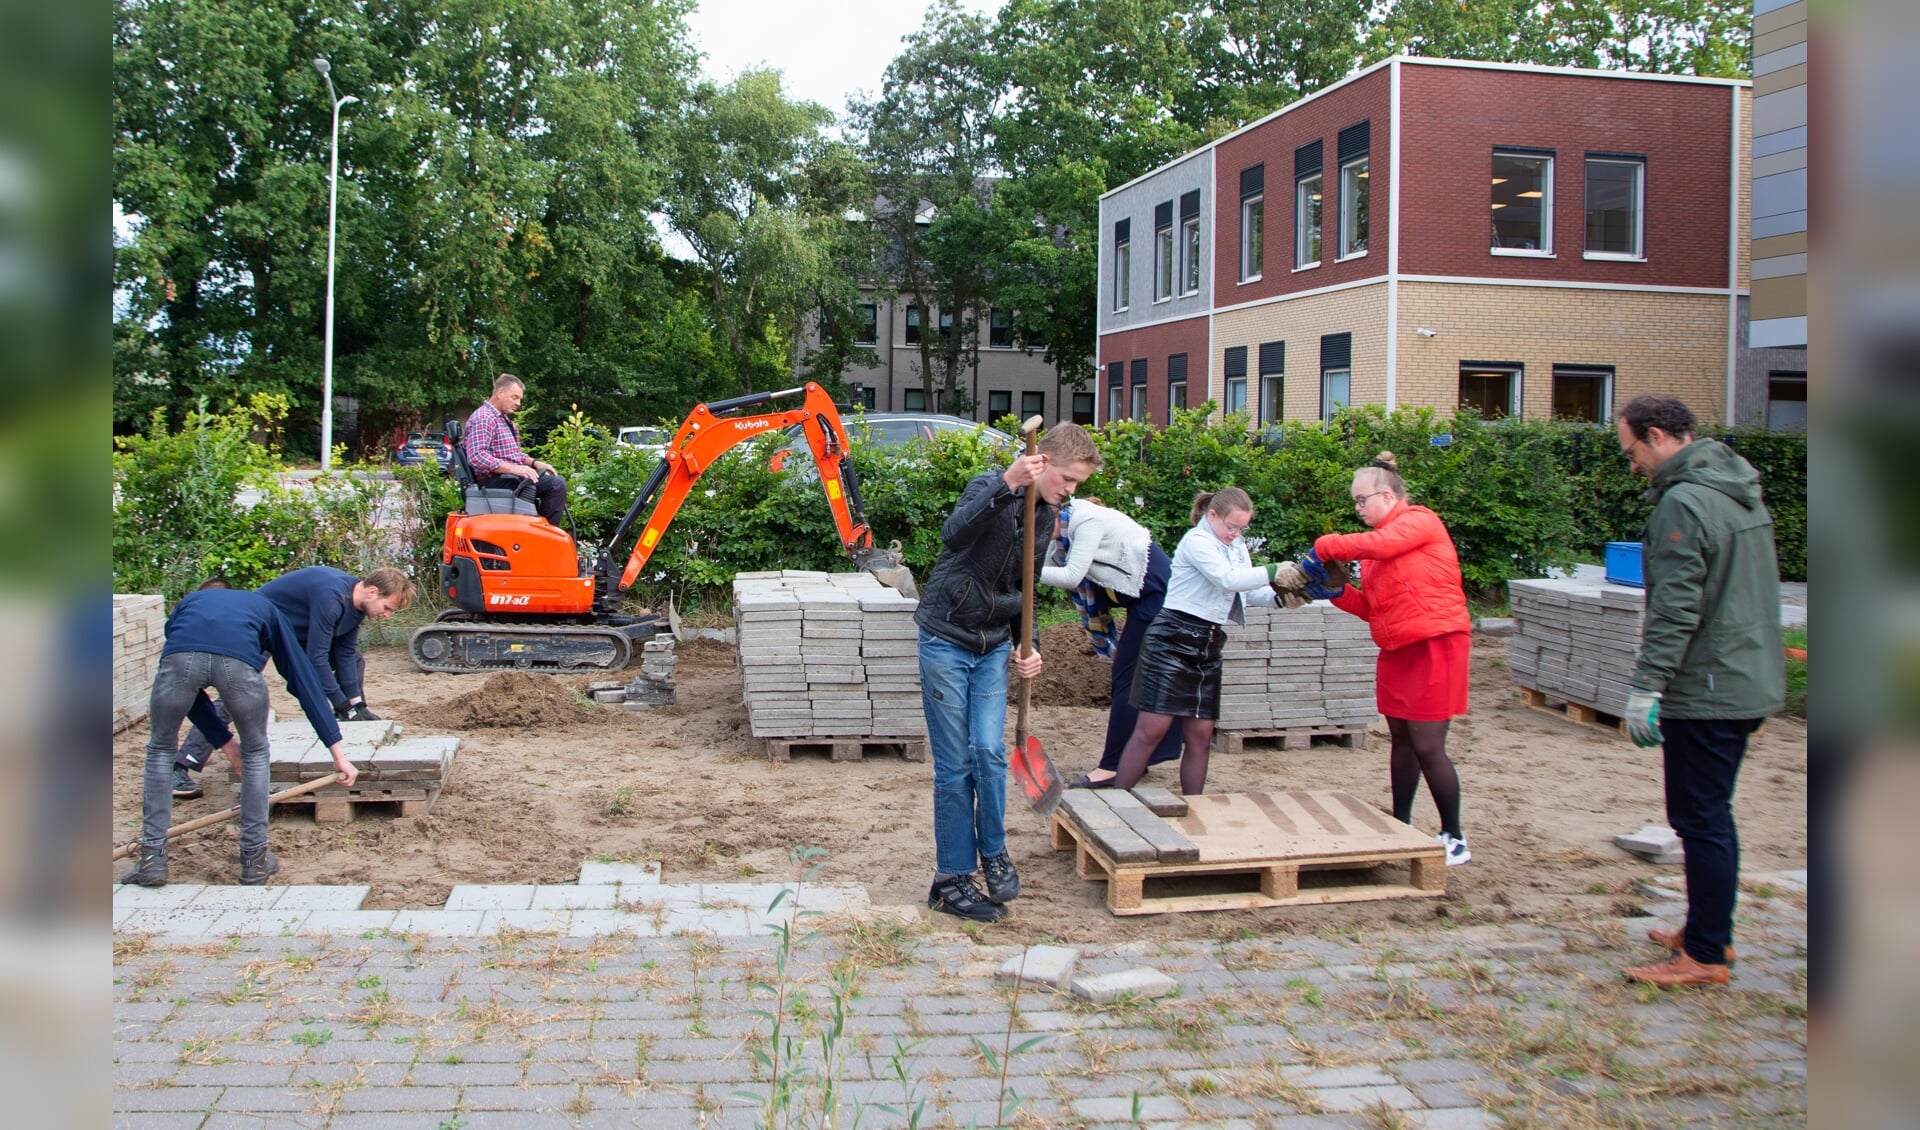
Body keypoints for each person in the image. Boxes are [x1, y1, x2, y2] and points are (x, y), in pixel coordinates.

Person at [1613, 396, 1784, 988]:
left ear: (1659, 436)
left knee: (1700, 817)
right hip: (1746, 674)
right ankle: (1708, 929)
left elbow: (1676, 608)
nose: (1632, 465)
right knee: (1709, 814)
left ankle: (1706, 955)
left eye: (1632, 452)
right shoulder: (1734, 487)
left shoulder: (1684, 502)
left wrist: (1647, 686)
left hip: (1710, 683)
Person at [915, 421, 1101, 923]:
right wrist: (1007, 484)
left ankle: (993, 853)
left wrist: (1029, 644)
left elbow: (1027, 589)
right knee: (955, 768)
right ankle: (951, 878)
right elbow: (954, 537)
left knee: (990, 752)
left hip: (995, 644)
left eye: (1076, 484)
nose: (1069, 490)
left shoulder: (1047, 517)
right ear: (1041, 464)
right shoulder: (988, 486)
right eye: (1065, 479)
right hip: (947, 639)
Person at [119, 587, 362, 888]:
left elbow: (185, 672)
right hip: (239, 668)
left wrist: (224, 743)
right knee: (256, 753)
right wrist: (338, 754)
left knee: (160, 750)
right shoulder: (266, 608)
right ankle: (254, 861)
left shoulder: (188, 604)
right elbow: (302, 679)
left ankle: (151, 859)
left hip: (180, 661)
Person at [1307, 451, 1474, 866]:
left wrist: (1325, 546)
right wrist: (1336, 593)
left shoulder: (1419, 521)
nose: (1357, 508)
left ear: (1386, 495)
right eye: (1356, 502)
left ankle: (1453, 836)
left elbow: (1381, 544)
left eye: (1361, 500)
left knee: (1428, 745)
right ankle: (1401, 823)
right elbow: (1374, 609)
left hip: (1435, 643)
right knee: (1401, 739)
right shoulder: (1373, 554)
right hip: (1398, 648)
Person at [1109, 488, 1301, 796]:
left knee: (1200, 736)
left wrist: (1285, 596)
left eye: (1242, 528)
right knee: (1150, 731)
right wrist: (1273, 571)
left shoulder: (1235, 546)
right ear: (1212, 515)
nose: (1235, 533)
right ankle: (1116, 805)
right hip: (1171, 640)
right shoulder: (1196, 542)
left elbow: (1245, 592)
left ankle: (1196, 812)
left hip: (1208, 645)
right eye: (1231, 526)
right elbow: (1227, 579)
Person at [172, 567, 413, 800]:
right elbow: (316, 659)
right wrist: (340, 703)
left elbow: (346, 654)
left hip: (292, 632)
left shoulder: (356, 608)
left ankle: (348, 716)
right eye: (387, 607)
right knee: (237, 694)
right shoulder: (331, 597)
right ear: (372, 592)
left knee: (356, 661)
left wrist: (357, 705)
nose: (386, 614)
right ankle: (181, 765)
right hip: (259, 627)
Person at [1039, 498, 1183, 788]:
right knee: (1135, 680)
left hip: (1162, 599)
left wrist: (1022, 573)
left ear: (1052, 516)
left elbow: (1071, 576)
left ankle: (1113, 766)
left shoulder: (1086, 523)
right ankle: (1136, 757)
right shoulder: (1063, 539)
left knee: (1128, 681)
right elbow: (1044, 565)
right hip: (1147, 602)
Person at [462, 372, 569, 524]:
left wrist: (535, 463)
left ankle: (539, 533)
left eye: (519, 398)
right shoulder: (484, 418)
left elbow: (514, 455)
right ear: (500, 393)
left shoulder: (502, 419)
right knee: (556, 485)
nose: (518, 403)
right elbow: (477, 456)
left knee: (554, 481)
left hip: (506, 478)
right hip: (492, 481)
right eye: (514, 397)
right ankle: (543, 538)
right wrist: (515, 469)